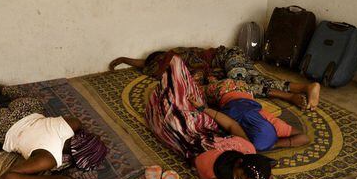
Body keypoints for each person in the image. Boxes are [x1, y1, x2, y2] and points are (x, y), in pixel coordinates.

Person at [145, 55, 274, 179]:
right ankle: (165, 75)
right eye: (246, 175)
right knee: (179, 70)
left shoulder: (219, 171)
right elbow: (232, 125)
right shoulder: (248, 148)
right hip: (204, 125)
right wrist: (203, 109)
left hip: (184, 133)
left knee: (171, 108)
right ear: (241, 160)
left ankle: (163, 89)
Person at [110, 46, 321, 111]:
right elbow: (142, 64)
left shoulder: (177, 56)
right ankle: (305, 87)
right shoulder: (168, 68)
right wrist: (119, 60)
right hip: (224, 68)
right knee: (251, 80)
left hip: (229, 56)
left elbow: (144, 62)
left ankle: (289, 97)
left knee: (240, 82)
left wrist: (122, 59)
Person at [0, 80, 80, 179]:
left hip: (26, 110)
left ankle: (1, 88)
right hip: (4, 126)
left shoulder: (74, 124)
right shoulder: (48, 158)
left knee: (27, 98)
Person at [188, 76, 310, 152]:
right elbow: (226, 122)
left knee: (215, 82)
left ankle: (213, 77)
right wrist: (275, 145)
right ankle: (209, 78)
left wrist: (274, 142)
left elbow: (304, 138)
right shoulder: (233, 119)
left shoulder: (274, 124)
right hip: (223, 89)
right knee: (198, 90)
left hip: (245, 89)